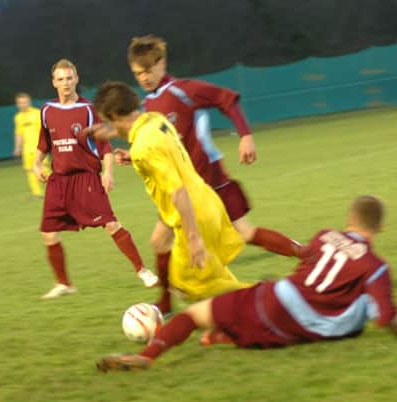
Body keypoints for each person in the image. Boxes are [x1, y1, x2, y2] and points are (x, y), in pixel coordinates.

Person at [96, 195, 397, 372]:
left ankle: (149, 355)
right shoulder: (375, 266)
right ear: (380, 228)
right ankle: (225, 334)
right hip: (299, 321)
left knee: (196, 315)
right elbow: (387, 318)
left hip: (274, 293)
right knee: (347, 312)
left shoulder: (324, 236)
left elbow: (303, 254)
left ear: (349, 220)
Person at [121, 35, 301, 313]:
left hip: (210, 180)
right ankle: (167, 302)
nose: (144, 77)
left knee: (246, 232)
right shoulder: (148, 107)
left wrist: (245, 135)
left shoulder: (183, 89)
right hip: (182, 188)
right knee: (159, 240)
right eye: (138, 73)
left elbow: (227, 99)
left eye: (149, 69)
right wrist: (130, 156)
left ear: (162, 62)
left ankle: (306, 254)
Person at [90, 81, 250, 306]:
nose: (109, 126)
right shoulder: (156, 119)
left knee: (187, 287)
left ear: (115, 114)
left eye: (108, 120)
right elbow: (166, 151)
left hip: (193, 215)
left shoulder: (144, 147)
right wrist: (130, 154)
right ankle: (192, 312)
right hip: (206, 201)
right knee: (162, 244)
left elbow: (178, 192)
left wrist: (194, 239)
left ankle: (265, 294)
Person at [34, 59, 157, 299]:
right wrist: (36, 163)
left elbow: (105, 146)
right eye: (60, 79)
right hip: (59, 181)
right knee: (48, 233)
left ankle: (142, 270)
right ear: (53, 82)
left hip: (86, 179)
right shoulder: (47, 110)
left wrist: (107, 172)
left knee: (111, 225)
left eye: (69, 78)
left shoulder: (88, 109)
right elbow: (43, 143)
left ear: (76, 79)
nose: (65, 83)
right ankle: (64, 284)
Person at [13, 92, 45, 197]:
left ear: (29, 102)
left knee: (44, 169)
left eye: (25, 102)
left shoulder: (37, 113)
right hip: (27, 149)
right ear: (17, 104)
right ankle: (37, 193)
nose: (23, 104)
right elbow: (19, 134)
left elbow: (44, 131)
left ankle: (55, 190)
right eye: (20, 103)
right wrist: (17, 148)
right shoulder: (18, 117)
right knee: (30, 171)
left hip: (39, 148)